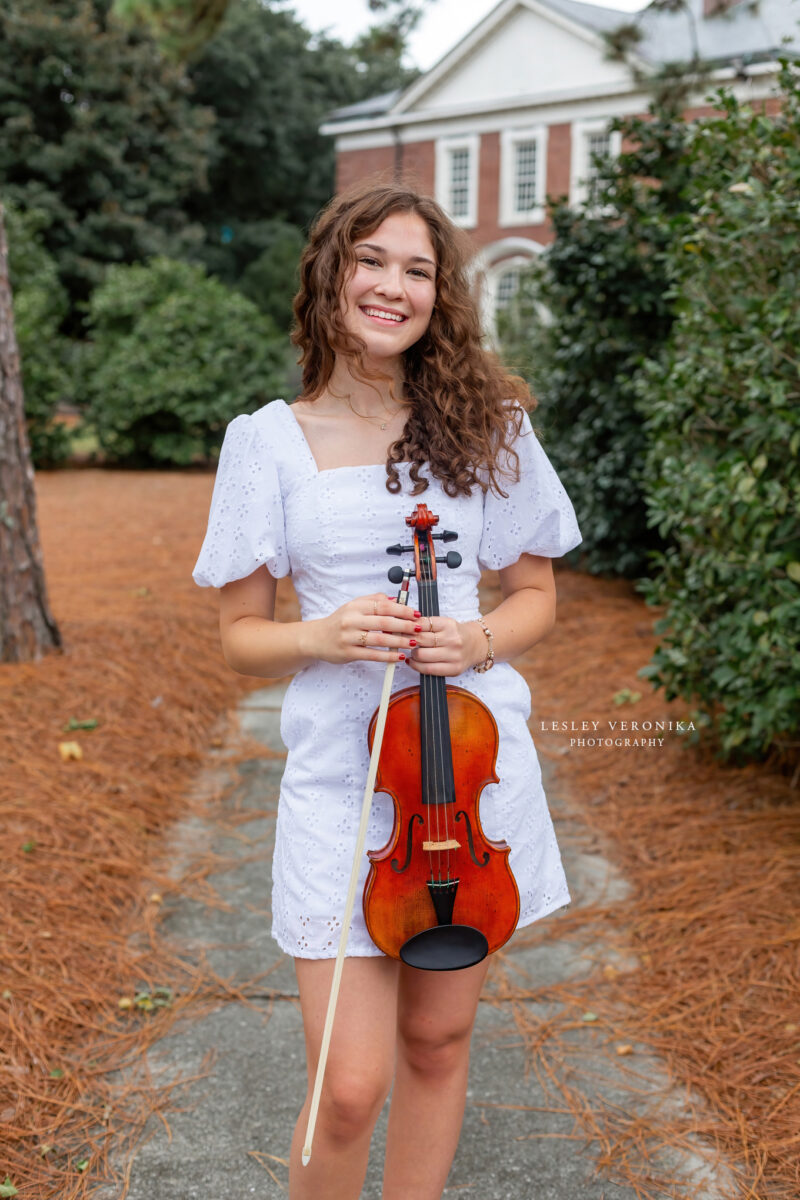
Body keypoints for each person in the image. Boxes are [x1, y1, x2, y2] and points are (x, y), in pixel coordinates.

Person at [192, 178, 582, 1200]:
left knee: (439, 1043)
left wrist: (476, 638)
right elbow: (239, 637)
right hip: (342, 784)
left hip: (464, 777)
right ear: (330, 274)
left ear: (438, 294)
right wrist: (319, 632)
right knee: (350, 1083)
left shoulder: (484, 423)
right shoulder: (265, 440)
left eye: (417, 269)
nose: (392, 286)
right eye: (371, 260)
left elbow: (534, 594)